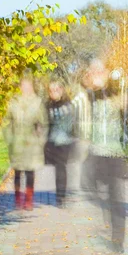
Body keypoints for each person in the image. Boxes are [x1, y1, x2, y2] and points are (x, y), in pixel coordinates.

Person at [81, 58, 128, 253]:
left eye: (99, 71)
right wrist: (90, 81)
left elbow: (124, 103)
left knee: (116, 196)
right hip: (95, 152)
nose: (96, 73)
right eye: (94, 71)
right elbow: (82, 86)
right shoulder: (90, 95)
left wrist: (109, 85)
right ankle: (105, 209)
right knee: (89, 184)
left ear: (106, 73)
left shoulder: (116, 91)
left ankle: (118, 239)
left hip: (114, 152)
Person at [2, 75, 48, 211]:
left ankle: (28, 200)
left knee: (29, 172)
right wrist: (9, 139)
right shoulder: (13, 102)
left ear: (32, 87)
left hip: (31, 144)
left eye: (28, 85)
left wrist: (40, 141)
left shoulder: (37, 103)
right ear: (20, 87)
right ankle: (18, 199)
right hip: (16, 143)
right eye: (24, 85)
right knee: (17, 172)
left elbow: (44, 124)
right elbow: (6, 122)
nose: (26, 88)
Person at [45, 78, 74, 208]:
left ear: (61, 90)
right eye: (51, 90)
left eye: (56, 89)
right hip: (52, 142)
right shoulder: (47, 106)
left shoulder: (68, 105)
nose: (54, 92)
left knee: (60, 168)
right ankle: (60, 195)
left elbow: (72, 123)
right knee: (57, 168)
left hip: (64, 142)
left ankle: (60, 196)